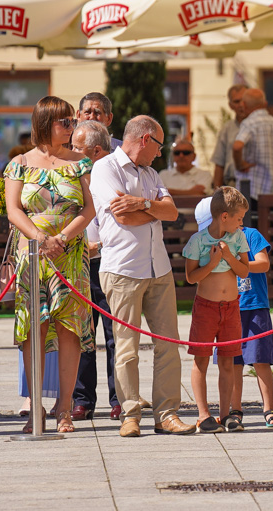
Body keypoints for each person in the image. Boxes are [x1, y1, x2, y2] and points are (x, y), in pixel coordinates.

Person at [89, 115, 195, 438]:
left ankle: (166, 414)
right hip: (122, 269)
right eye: (160, 146)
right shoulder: (105, 168)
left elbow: (172, 213)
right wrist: (151, 208)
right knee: (126, 346)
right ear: (145, 140)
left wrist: (143, 203)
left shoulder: (150, 173)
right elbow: (124, 215)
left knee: (168, 344)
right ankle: (130, 413)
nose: (162, 155)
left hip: (158, 268)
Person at [3, 96, 96, 434]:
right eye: (65, 122)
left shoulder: (81, 163)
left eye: (72, 122)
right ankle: (35, 411)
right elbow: (13, 210)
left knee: (70, 329)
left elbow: (89, 209)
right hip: (33, 254)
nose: (72, 127)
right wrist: (41, 240)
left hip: (70, 256)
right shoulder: (20, 163)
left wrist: (65, 237)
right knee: (34, 330)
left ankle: (65, 409)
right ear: (45, 123)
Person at [197, 197, 273, 428]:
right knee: (232, 360)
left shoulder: (251, 235)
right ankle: (235, 409)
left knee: (260, 360)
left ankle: (269, 408)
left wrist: (235, 262)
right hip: (226, 307)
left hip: (254, 305)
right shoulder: (210, 241)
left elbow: (264, 264)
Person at [183, 187, 250, 433]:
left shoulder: (238, 237)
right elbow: (191, 277)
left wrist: (229, 257)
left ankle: (226, 414)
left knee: (227, 361)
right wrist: (212, 262)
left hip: (231, 307)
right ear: (224, 216)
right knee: (200, 360)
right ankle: (203, 414)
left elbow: (244, 271)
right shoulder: (198, 241)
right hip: (206, 308)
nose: (242, 222)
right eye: (239, 218)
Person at [69, 120, 121, 421]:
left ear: (96, 150)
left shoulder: (115, 173)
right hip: (78, 264)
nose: (72, 152)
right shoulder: (70, 173)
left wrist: (98, 247)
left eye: (78, 148)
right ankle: (82, 400)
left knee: (116, 335)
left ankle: (119, 399)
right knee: (82, 333)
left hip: (108, 262)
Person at [212, 85, 247, 188]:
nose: (241, 105)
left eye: (244, 100)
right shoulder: (227, 129)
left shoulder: (261, 126)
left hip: (258, 185)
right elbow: (219, 163)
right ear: (230, 105)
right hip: (232, 185)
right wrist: (216, 193)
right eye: (237, 101)